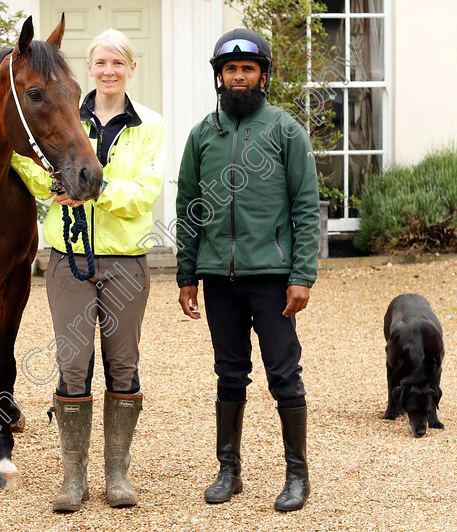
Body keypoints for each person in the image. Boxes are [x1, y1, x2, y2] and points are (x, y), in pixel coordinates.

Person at [12, 29, 166, 512]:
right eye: (100, 63)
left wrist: (91, 189)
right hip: (68, 260)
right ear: (90, 68)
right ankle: (72, 477)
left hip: (126, 263)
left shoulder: (152, 126)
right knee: (72, 365)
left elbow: (145, 193)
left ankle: (117, 473)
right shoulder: (66, 114)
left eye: (118, 63)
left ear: (131, 69)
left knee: (123, 364)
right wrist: (55, 182)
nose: (108, 71)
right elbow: (31, 165)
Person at [174, 28, 320, 512]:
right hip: (219, 281)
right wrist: (186, 274)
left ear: (263, 76)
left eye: (248, 69)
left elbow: (304, 205)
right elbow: (189, 206)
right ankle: (228, 470)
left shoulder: (285, 131)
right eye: (231, 69)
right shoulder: (202, 134)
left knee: (284, 374)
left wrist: (302, 275)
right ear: (219, 75)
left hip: (274, 279)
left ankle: (297, 476)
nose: (239, 77)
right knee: (229, 373)